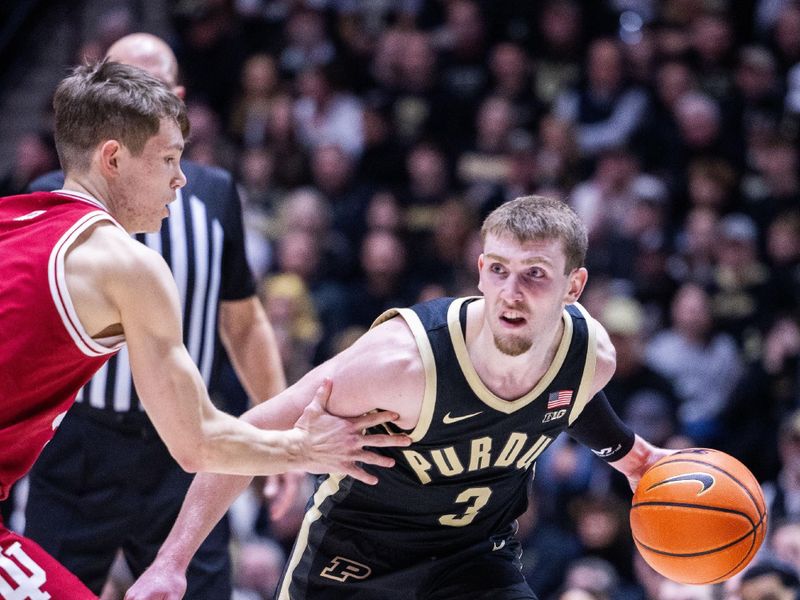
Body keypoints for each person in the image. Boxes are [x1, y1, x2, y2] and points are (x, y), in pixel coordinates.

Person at [127, 195, 673, 600]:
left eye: (535, 275)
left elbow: (571, 398)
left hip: (476, 560)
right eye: (500, 270)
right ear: (480, 270)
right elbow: (247, 430)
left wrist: (635, 458)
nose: (511, 293)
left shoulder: (591, 357)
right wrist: (171, 563)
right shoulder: (403, 363)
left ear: (573, 287)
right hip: (359, 561)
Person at [0, 59, 408, 598]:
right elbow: (196, 442)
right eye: (168, 158)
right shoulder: (127, 263)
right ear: (114, 158)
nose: (180, 177)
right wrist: (304, 448)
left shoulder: (13, 215)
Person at [21, 33, 289, 599]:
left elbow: (244, 324)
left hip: (181, 452)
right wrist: (303, 445)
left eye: (152, 91)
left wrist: (282, 433)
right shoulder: (56, 209)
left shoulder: (215, 196)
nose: (178, 175)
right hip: (80, 446)